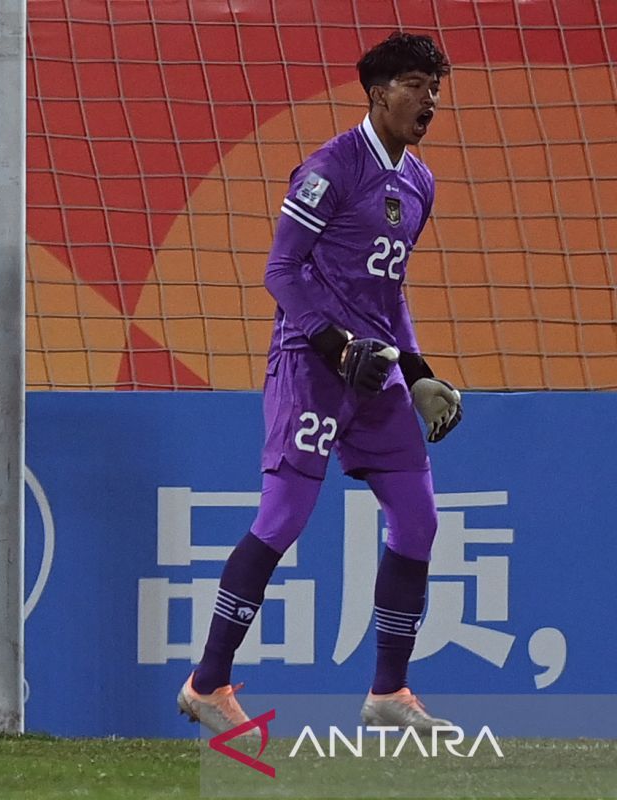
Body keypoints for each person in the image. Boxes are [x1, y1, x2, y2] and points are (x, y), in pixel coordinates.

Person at [178, 32, 461, 737]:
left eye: (435, 86)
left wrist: (417, 370)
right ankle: (206, 684)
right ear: (378, 93)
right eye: (417, 85)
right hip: (311, 365)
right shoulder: (330, 168)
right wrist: (335, 348)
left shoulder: (420, 182)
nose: (429, 99)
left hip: (378, 375)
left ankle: (389, 691)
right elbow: (281, 270)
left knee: (419, 520)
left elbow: (390, 294)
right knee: (282, 519)